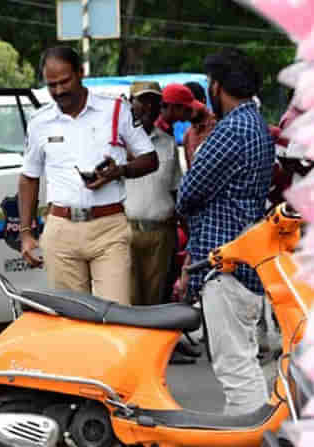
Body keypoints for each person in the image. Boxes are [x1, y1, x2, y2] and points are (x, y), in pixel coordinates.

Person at [176, 49, 275, 415]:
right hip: (243, 259)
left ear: (216, 86)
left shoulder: (231, 129)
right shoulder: (256, 124)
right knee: (242, 363)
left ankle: (252, 437)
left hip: (226, 263)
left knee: (234, 368)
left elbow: (188, 193)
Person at [19, 46, 158, 306]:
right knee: (72, 322)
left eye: (64, 81)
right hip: (60, 229)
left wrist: (120, 171)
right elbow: (29, 176)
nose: (59, 91)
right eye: (52, 85)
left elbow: (150, 159)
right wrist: (26, 233)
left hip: (109, 228)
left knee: (115, 316)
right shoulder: (39, 121)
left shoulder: (115, 109)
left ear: (81, 73)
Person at [125, 81, 184, 307]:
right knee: (128, 302)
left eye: (154, 102)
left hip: (161, 235)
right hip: (127, 232)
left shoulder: (168, 143)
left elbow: (176, 189)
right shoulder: (118, 143)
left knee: (156, 301)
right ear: (131, 104)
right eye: (143, 101)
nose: (148, 107)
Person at [182, 81, 218, 168]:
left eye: (191, 103)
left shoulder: (218, 126)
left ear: (203, 101)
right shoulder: (187, 136)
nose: (187, 109)